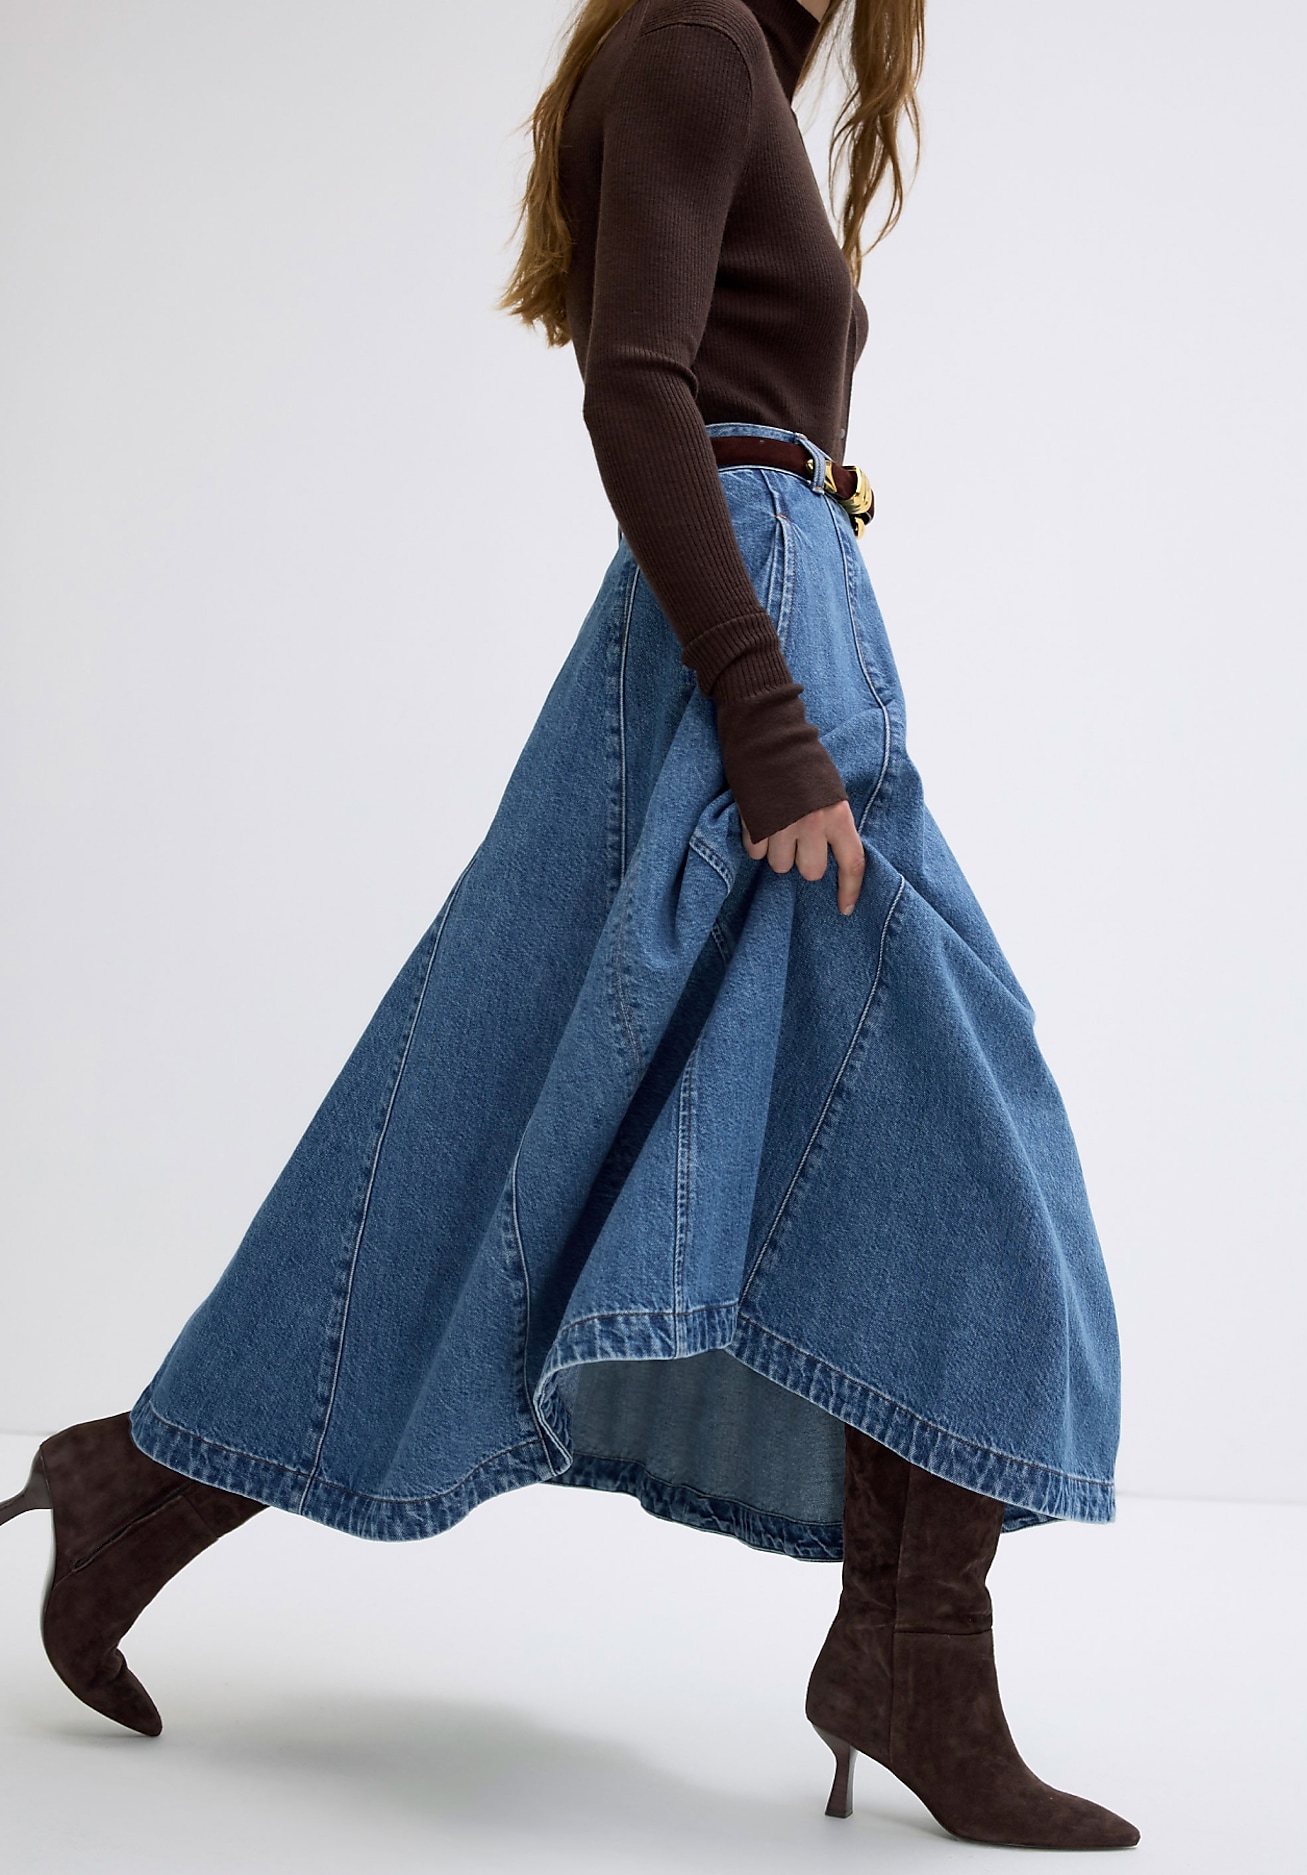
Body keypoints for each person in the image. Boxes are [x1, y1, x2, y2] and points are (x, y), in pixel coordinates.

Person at [2, 0, 1138, 1851]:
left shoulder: (735, 60)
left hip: (771, 630)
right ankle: (910, 1656)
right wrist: (774, 732)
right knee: (952, 1134)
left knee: (492, 1112)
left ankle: (141, 1489)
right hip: (748, 651)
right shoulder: (696, 45)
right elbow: (637, 385)